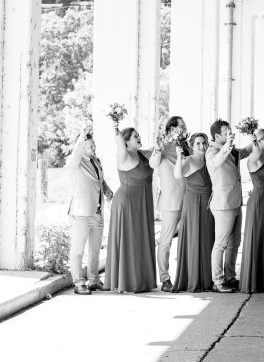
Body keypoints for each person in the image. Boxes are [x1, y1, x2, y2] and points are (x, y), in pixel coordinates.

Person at [206, 119, 263, 293]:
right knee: (221, 244)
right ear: (217, 136)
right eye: (226, 132)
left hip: (236, 202)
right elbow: (217, 161)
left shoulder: (232, 150)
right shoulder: (212, 152)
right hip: (223, 204)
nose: (230, 134)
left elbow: (246, 151)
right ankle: (217, 281)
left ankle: (230, 277)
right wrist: (228, 145)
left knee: (234, 243)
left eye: (230, 131)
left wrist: (256, 137)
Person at [106, 126, 158, 293]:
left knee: (140, 238)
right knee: (130, 239)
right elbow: (119, 143)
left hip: (142, 201)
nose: (139, 137)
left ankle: (141, 280)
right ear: (127, 141)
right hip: (127, 202)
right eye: (135, 136)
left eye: (139, 134)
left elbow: (158, 150)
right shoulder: (124, 154)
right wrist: (116, 125)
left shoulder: (143, 153)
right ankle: (126, 282)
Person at [66, 129, 113, 295]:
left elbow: (100, 179)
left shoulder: (96, 160)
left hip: (97, 211)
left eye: (94, 144)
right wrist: (81, 137)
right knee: (78, 249)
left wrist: (106, 190)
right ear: (81, 146)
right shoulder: (76, 161)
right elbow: (76, 151)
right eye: (90, 145)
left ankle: (93, 279)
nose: (94, 146)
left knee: (95, 248)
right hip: (81, 212)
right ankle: (79, 283)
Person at [173, 132, 215, 293]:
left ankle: (209, 277)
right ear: (191, 146)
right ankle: (194, 278)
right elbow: (178, 174)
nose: (202, 146)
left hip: (209, 203)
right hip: (194, 203)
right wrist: (179, 157)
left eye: (203, 143)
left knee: (208, 238)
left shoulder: (209, 159)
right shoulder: (189, 160)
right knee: (195, 237)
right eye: (197, 143)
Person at [151, 116, 188, 292]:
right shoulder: (163, 147)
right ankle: (165, 279)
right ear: (171, 129)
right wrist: (158, 149)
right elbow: (153, 163)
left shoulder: (186, 147)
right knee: (166, 242)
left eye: (184, 126)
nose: (184, 128)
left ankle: (187, 275)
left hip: (189, 198)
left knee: (189, 239)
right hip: (171, 201)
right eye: (181, 126)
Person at [239, 128, 264, 293]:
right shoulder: (255, 157)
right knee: (258, 235)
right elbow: (253, 151)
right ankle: (255, 280)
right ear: (259, 141)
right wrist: (253, 140)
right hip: (259, 201)